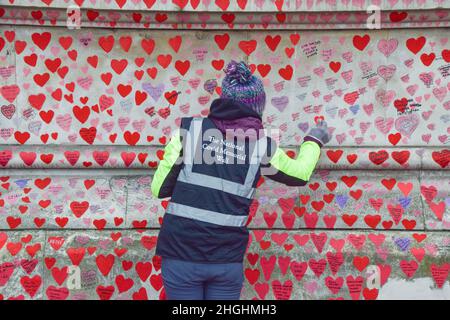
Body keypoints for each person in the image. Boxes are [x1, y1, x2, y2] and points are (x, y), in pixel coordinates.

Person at [150, 60, 331, 300]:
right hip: (226, 260)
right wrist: (313, 140)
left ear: (223, 100)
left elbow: (158, 189)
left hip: (181, 255)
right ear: (258, 108)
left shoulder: (189, 131)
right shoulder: (262, 145)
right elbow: (299, 174)